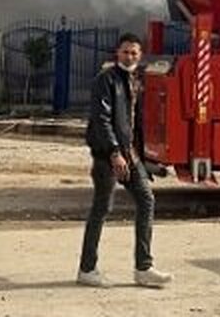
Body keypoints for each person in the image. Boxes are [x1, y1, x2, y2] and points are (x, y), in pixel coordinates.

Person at [77, 33, 173, 288]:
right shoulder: (105, 80)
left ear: (140, 55)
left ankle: (144, 268)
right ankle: (87, 269)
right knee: (102, 209)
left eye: (134, 52)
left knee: (147, 199)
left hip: (130, 156)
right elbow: (102, 119)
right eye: (125, 52)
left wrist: (139, 154)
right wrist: (114, 152)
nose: (129, 56)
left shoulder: (135, 81)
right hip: (107, 156)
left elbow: (134, 123)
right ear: (117, 53)